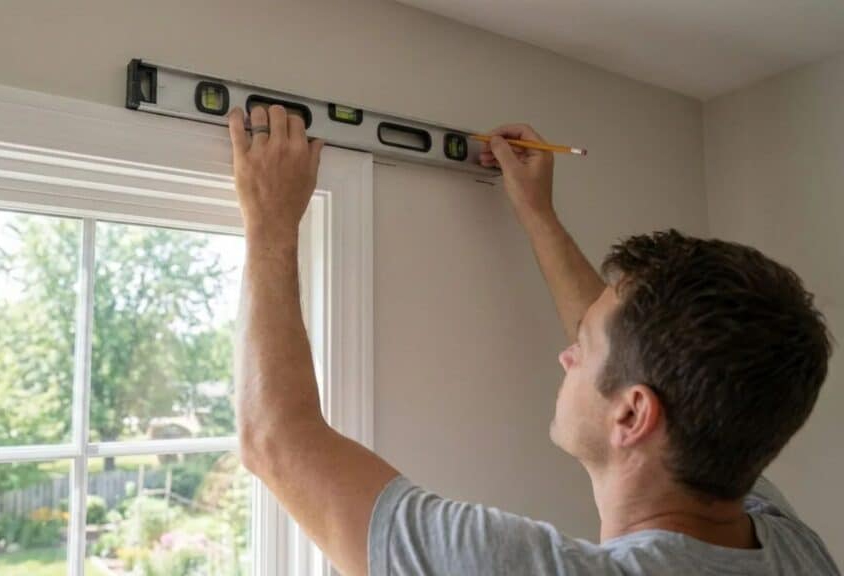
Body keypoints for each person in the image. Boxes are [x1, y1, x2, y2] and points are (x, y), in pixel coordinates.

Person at [227, 103, 840, 575]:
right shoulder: (785, 540)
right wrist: (537, 213)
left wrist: (271, 225)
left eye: (585, 348)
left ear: (632, 413)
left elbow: (277, 439)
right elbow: (638, 351)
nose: (567, 353)